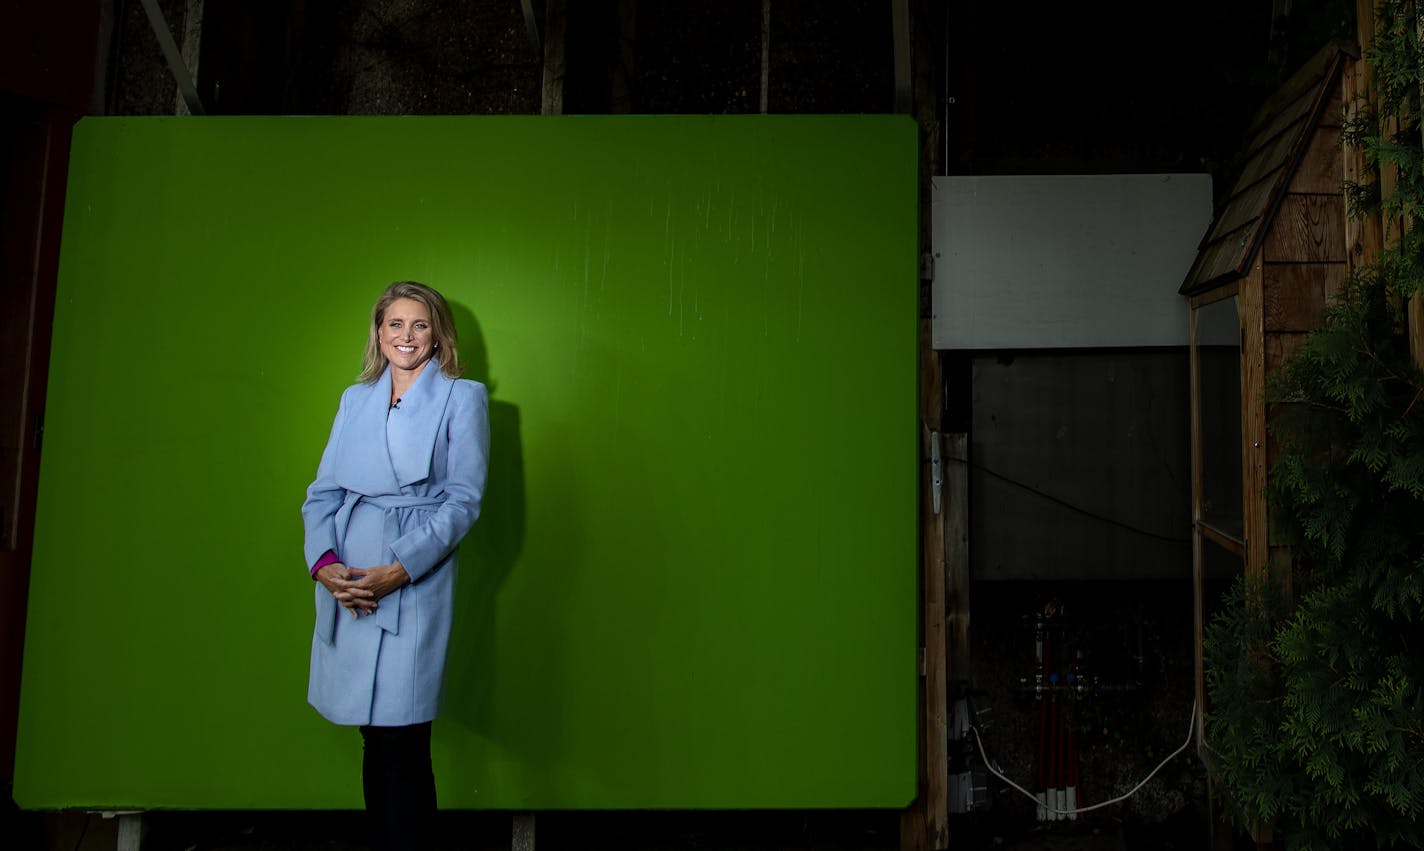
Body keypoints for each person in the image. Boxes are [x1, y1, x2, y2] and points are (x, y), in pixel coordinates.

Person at [301, 281, 489, 851]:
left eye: (419, 325)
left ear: (437, 336)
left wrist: (400, 570)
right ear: (379, 334)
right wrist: (326, 563)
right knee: (371, 735)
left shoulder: (463, 397)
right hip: (350, 576)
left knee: (403, 739)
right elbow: (322, 493)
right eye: (394, 325)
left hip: (413, 575)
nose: (405, 337)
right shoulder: (355, 400)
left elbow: (463, 501)